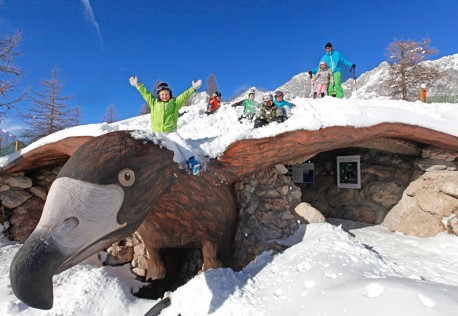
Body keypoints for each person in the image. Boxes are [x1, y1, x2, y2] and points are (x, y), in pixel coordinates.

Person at [129, 76, 203, 175]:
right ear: (159, 95)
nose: (165, 96)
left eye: (167, 94)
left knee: (181, 144)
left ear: (170, 95)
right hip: (157, 133)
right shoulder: (154, 103)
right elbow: (145, 94)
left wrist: (193, 88)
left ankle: (192, 161)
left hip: (170, 132)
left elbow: (184, 96)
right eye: (162, 94)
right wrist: (137, 85)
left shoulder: (174, 104)